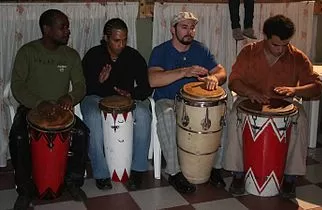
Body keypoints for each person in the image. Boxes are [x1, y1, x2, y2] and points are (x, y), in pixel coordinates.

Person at [222, 14, 322, 198]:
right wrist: (250, 92)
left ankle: (290, 178)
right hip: (249, 100)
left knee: (300, 118)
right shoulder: (249, 52)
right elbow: (234, 82)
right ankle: (237, 174)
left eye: (285, 45)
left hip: (285, 103)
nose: (280, 50)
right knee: (234, 115)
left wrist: (295, 90)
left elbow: (317, 87)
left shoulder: (297, 57)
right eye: (276, 45)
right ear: (266, 37)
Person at [9, 9, 89, 210]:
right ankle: (25, 190)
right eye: (62, 27)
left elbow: (80, 85)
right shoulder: (27, 52)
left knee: (81, 133)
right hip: (30, 110)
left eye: (67, 27)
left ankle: (72, 182)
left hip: (61, 111)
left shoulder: (71, 55)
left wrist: (69, 97)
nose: (67, 31)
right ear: (47, 29)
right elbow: (17, 86)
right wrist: (38, 103)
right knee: (18, 138)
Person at [148, 11, 227, 194]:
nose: (189, 32)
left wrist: (214, 78)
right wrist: (185, 72)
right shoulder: (160, 51)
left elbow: (222, 72)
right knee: (167, 115)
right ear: (172, 30)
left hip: (198, 103)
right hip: (168, 100)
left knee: (225, 115)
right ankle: (175, 173)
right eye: (184, 27)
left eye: (192, 28)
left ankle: (215, 167)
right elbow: (153, 80)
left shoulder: (201, 49)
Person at [80, 18, 153, 191]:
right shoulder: (94, 55)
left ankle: (138, 169)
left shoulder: (133, 56)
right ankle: (101, 172)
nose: (121, 45)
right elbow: (82, 88)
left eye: (124, 40)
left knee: (143, 114)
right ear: (106, 38)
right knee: (92, 116)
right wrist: (98, 81)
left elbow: (146, 87)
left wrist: (131, 94)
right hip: (96, 97)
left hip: (127, 101)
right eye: (116, 40)